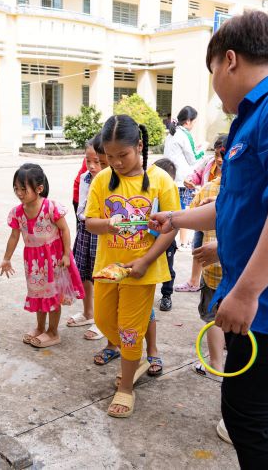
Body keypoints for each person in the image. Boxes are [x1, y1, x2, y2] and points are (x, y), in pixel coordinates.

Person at [150, 11, 268, 467]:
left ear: (230, 60)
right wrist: (176, 218)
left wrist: (245, 292)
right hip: (267, 296)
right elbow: (233, 205)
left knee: (247, 419)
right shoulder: (256, 115)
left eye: (212, 71)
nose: (215, 85)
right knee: (262, 415)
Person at [85, 115, 180, 418]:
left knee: (129, 330)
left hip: (142, 269)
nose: (116, 162)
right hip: (108, 268)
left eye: (122, 155)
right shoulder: (103, 179)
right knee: (104, 321)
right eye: (110, 156)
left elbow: (172, 226)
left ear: (139, 146)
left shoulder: (161, 180)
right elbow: (90, 222)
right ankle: (134, 355)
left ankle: (126, 387)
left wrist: (146, 260)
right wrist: (108, 224)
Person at [0, 163, 85, 348]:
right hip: (34, 261)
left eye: (23, 189)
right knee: (38, 294)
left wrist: (66, 254)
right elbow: (14, 236)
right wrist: (6, 258)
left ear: (39, 189)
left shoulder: (51, 207)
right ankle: (40, 327)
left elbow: (65, 229)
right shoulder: (17, 212)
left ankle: (53, 332)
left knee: (53, 295)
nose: (19, 193)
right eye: (16, 188)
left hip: (54, 260)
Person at [66, 134, 108, 341]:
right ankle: (88, 312)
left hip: (103, 231)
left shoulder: (109, 179)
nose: (92, 166)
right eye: (88, 160)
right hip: (85, 228)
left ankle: (103, 321)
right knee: (84, 272)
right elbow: (81, 206)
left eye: (97, 161)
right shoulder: (85, 178)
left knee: (101, 276)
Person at [190, 143, 226, 382]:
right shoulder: (254, 190)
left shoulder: (210, 188)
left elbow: (191, 217)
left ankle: (215, 364)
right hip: (242, 272)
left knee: (213, 318)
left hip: (214, 270)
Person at [174, 135, 227, 293]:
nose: (219, 160)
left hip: (215, 219)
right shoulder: (208, 165)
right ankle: (194, 280)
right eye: (217, 155)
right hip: (204, 210)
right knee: (199, 248)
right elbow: (196, 174)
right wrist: (190, 180)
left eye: (223, 156)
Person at [162, 105, 201, 251]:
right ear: (188, 121)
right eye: (194, 122)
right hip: (183, 180)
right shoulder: (185, 134)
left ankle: (172, 242)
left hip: (170, 177)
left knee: (172, 211)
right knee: (184, 211)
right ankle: (184, 242)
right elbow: (193, 158)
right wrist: (203, 149)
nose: (194, 125)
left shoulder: (171, 134)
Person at [153, 158, 179, 312]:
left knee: (168, 269)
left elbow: (177, 219)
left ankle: (166, 295)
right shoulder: (150, 192)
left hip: (167, 240)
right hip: (150, 238)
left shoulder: (172, 193)